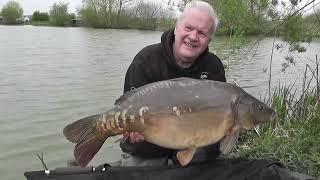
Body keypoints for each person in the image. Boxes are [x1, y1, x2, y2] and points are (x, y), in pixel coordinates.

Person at [119, 0, 225, 166]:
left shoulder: (214, 67)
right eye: (188, 28)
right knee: (141, 163)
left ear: (209, 40)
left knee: (205, 156)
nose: (193, 37)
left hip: (194, 146)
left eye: (202, 33)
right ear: (176, 28)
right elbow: (127, 106)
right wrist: (132, 132)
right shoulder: (145, 60)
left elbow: (220, 115)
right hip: (147, 148)